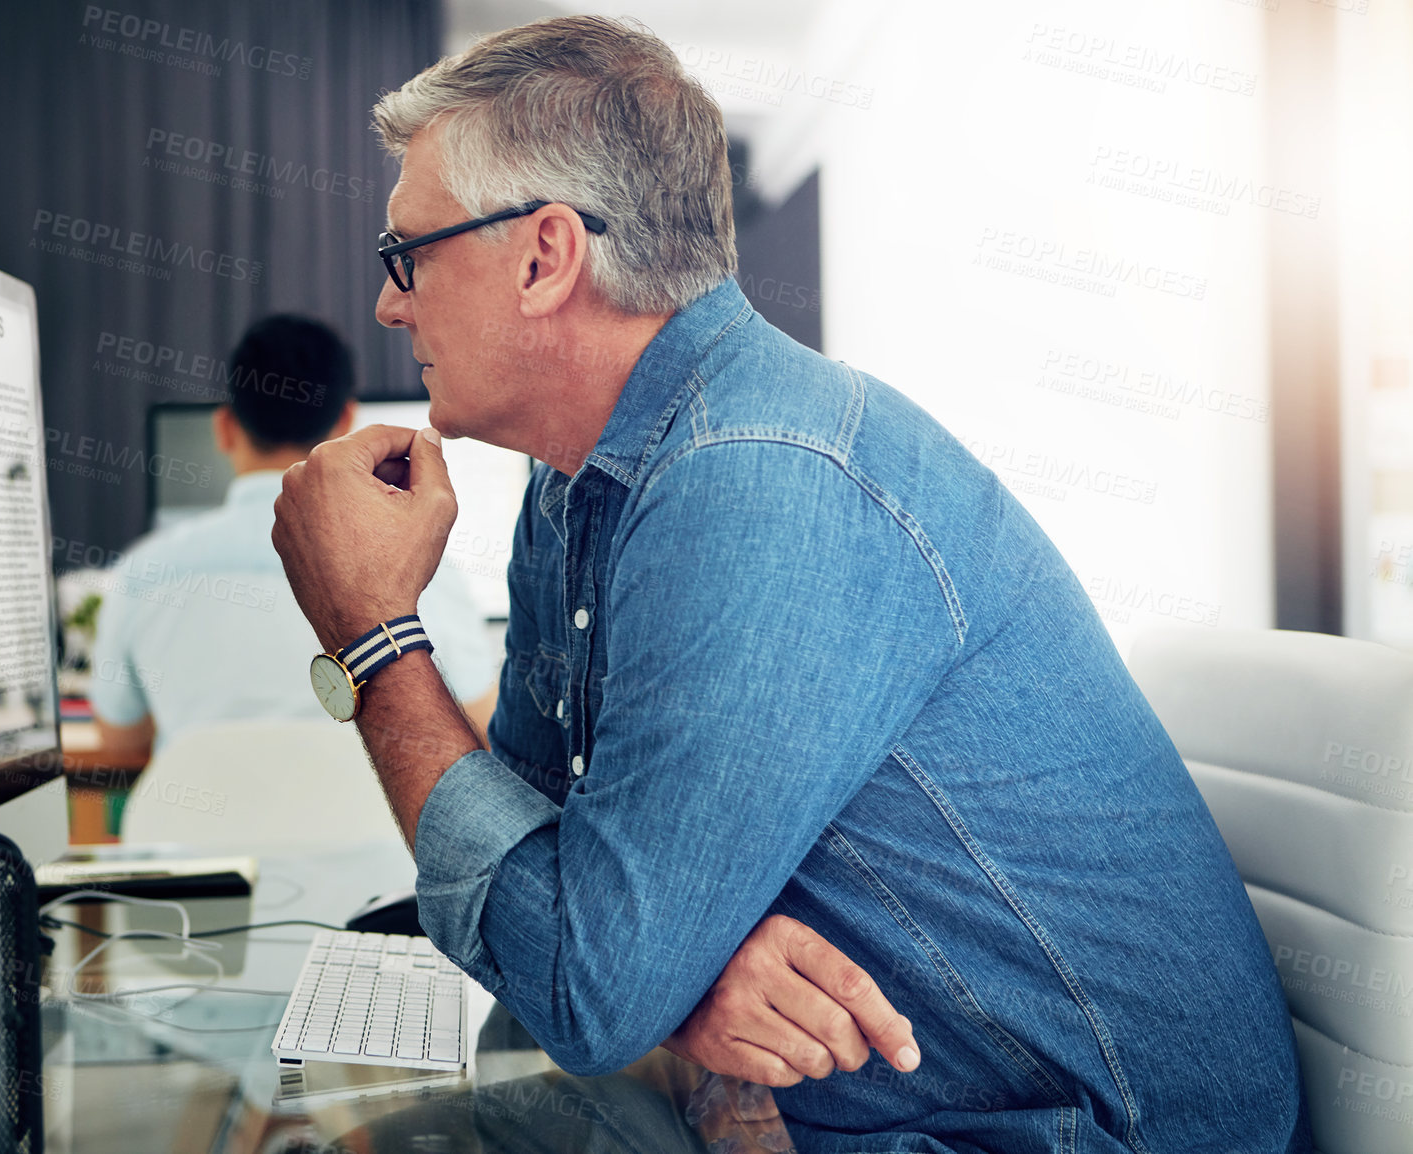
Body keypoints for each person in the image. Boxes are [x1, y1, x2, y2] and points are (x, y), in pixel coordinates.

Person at [270, 16, 1309, 1153]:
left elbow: (579, 980)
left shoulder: (754, 478)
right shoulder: (580, 480)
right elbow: (536, 881)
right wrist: (674, 966)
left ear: (542, 254)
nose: (389, 304)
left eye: (408, 253)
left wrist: (373, 635)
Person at [90, 315, 495, 763]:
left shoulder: (142, 572)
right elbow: (483, 726)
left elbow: (118, 747)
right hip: (380, 833)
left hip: (190, 832)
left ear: (224, 428)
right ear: (347, 423)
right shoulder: (422, 564)